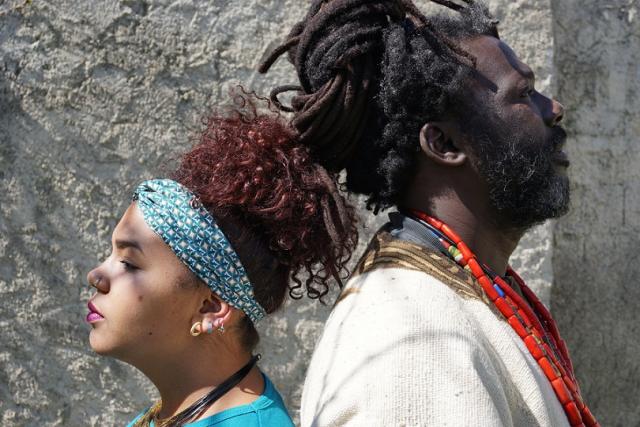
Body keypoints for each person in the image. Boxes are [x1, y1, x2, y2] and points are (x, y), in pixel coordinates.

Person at [260, 1, 599, 426]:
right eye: (524, 94)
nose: (554, 108)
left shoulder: (462, 292)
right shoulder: (413, 341)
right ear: (444, 144)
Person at [85, 96, 357, 427]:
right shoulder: (175, 412)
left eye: (129, 263)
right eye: (112, 255)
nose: (96, 276)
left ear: (211, 307)